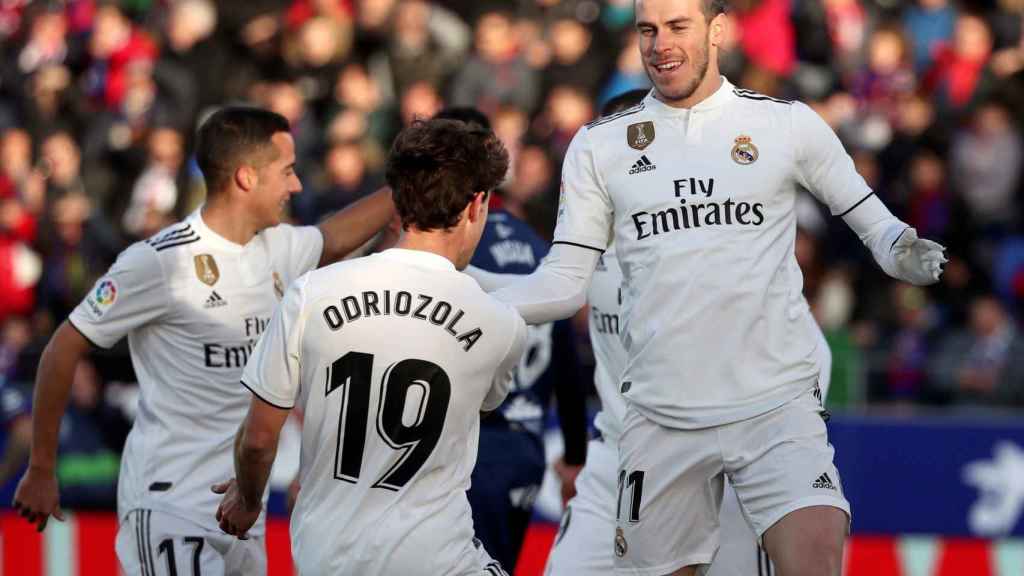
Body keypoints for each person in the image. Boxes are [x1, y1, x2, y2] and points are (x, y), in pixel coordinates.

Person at [474, 0, 948, 574]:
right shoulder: (599, 146)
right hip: (660, 419)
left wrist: (903, 252)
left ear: (717, 30)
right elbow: (566, 281)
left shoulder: (786, 124)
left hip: (775, 407)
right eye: (648, 30)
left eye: (677, 27)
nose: (660, 44)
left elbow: (875, 224)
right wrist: (469, 300)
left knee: (816, 552)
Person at [12, 106, 394, 574]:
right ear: (246, 178)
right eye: (287, 172)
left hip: (239, 514)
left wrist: (408, 186)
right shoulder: (159, 262)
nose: (296, 186)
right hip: (171, 507)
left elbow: (334, 236)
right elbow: (63, 346)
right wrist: (41, 468)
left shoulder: (278, 249)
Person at [213, 118, 528, 576]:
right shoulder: (501, 324)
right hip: (438, 560)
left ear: (397, 202)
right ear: (477, 205)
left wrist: (247, 497)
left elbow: (260, 439)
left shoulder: (311, 293)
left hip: (326, 557)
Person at [431, 106, 589, 573]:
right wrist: (575, 457)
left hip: (467, 445)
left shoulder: (451, 250)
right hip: (525, 448)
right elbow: (567, 364)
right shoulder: (542, 250)